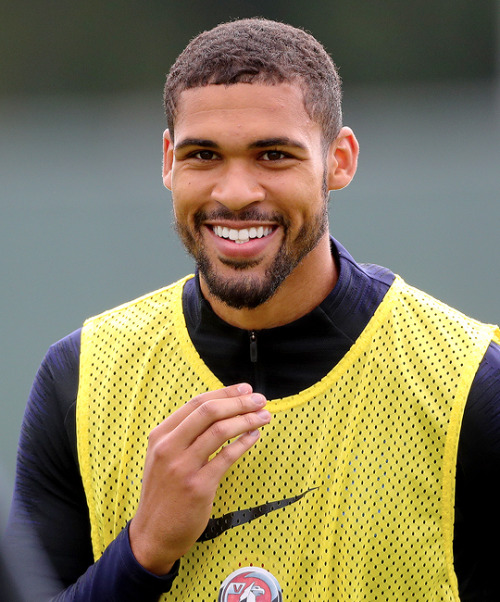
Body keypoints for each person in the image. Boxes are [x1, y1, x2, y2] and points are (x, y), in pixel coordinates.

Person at [3, 17, 500, 602]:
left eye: (273, 155)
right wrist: (143, 551)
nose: (235, 193)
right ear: (168, 161)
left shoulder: (471, 382)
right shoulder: (80, 379)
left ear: (338, 160)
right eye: (204, 155)